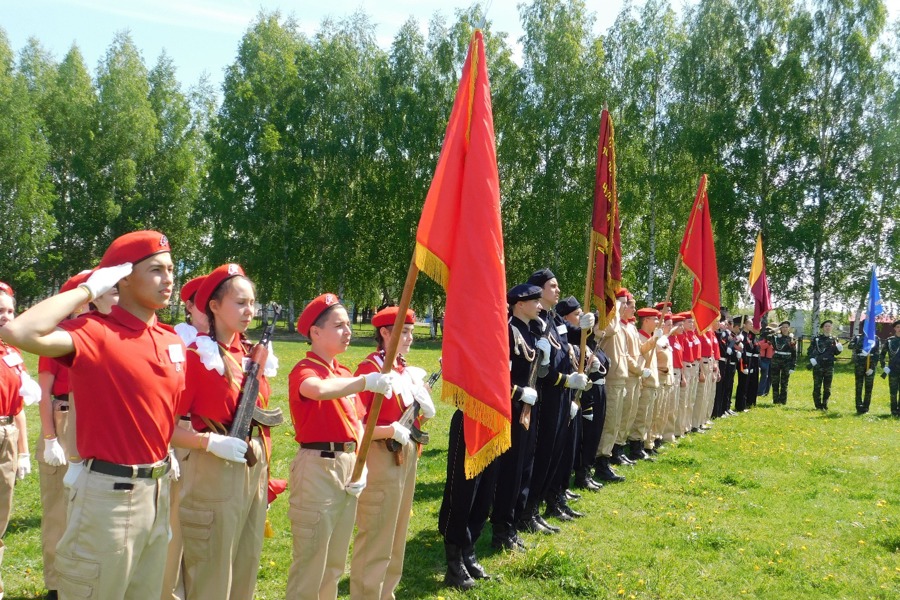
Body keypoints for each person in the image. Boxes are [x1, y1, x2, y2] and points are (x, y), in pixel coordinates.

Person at [0, 231, 247, 600]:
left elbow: (161, 413)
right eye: (155, 270)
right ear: (123, 277)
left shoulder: (171, 340)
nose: (168, 279)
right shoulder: (94, 332)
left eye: (171, 269)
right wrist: (88, 289)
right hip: (108, 499)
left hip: (158, 493)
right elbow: (19, 331)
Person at [286, 294, 396, 599]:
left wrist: (359, 466)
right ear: (316, 333)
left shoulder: (344, 373)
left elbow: (358, 424)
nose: (348, 331)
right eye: (339, 325)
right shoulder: (306, 369)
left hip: (347, 467)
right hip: (318, 467)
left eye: (348, 324)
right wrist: (364, 383)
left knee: (334, 564)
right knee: (310, 565)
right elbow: (316, 390)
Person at [177, 264, 276, 600]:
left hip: (252, 469)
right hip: (212, 471)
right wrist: (209, 441)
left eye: (252, 303)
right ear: (215, 306)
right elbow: (166, 429)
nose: (249, 311)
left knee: (245, 565)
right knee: (212, 574)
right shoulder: (196, 357)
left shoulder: (252, 355)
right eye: (240, 303)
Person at [36, 269, 118, 600]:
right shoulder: (60, 338)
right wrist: (50, 439)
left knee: (90, 505)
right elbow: (45, 392)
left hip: (96, 421)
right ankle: (57, 583)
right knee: (58, 506)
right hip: (63, 419)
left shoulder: (106, 335)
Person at [350, 306, 436, 599]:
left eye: (412, 331)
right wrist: (389, 431)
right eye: (405, 332)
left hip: (405, 454)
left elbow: (407, 417)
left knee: (397, 533)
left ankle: (386, 593)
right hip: (378, 455)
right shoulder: (370, 371)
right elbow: (355, 426)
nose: (411, 337)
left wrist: (422, 410)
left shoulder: (402, 370)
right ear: (385, 333)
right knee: (376, 534)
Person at [490, 284, 546, 553]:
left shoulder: (532, 332)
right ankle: (501, 529)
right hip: (511, 408)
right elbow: (500, 376)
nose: (539, 304)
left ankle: (512, 522)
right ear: (519, 304)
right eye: (534, 300)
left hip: (528, 409)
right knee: (510, 470)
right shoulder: (509, 332)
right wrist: (519, 392)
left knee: (524, 467)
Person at [162, 273, 206, 600]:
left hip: (219, 438)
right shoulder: (177, 340)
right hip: (183, 431)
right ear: (190, 306)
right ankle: (169, 592)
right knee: (176, 521)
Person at [0, 281, 33, 600]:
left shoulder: (12, 351)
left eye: (10, 310)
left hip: (8, 431)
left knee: (2, 507)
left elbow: (20, 406)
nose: (5, 316)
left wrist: (23, 452)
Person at [807, 319, 842, 410]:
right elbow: (810, 350)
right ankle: (818, 405)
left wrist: (839, 349)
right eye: (826, 326)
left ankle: (825, 404)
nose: (827, 328)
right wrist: (811, 358)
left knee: (827, 387)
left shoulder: (834, 339)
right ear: (823, 328)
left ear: (831, 328)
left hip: (829, 366)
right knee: (817, 386)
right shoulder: (817, 339)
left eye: (829, 326)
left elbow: (835, 353)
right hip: (818, 365)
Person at [848, 326, 881, 415]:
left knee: (869, 388)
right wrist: (861, 348)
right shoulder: (858, 337)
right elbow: (850, 346)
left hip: (870, 365)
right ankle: (859, 407)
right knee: (859, 387)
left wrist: (872, 367)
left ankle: (866, 408)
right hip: (859, 365)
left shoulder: (875, 338)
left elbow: (877, 353)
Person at [769, 321, 797, 405]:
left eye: (786, 327)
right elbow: (764, 335)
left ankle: (783, 401)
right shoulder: (776, 337)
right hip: (776, 361)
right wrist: (774, 330)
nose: (785, 329)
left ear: (789, 328)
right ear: (780, 328)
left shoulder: (791, 338)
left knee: (784, 382)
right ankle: (776, 400)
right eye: (783, 327)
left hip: (787, 362)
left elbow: (794, 354)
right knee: (775, 381)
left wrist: (793, 366)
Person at [880, 320, 900, 417]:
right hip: (893, 370)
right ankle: (893, 411)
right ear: (895, 328)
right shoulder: (889, 340)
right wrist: (884, 366)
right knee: (893, 391)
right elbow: (882, 355)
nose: (899, 329)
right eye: (898, 327)